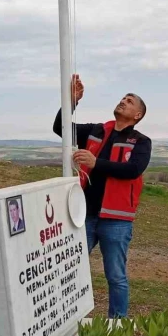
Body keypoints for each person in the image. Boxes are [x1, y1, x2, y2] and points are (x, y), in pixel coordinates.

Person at [53, 74, 151, 318]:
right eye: (123, 98)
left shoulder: (141, 142)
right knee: (71, 269)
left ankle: (116, 326)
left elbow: (133, 170)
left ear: (137, 115)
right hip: (84, 215)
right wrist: (71, 102)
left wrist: (96, 163)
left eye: (129, 101)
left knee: (116, 276)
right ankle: (69, 321)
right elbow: (60, 128)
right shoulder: (97, 130)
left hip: (116, 220)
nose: (123, 101)